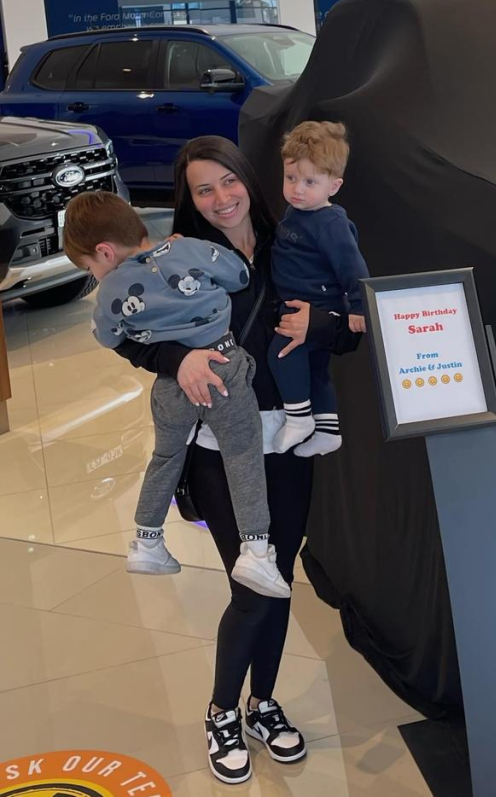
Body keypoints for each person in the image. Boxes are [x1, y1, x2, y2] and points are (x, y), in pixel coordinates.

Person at [113, 136, 360, 784]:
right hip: (219, 450)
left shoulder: (297, 240)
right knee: (253, 586)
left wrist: (322, 326)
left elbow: (351, 330)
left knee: (279, 580)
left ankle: (262, 704)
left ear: (249, 179)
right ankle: (222, 710)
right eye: (204, 189)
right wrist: (178, 358)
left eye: (228, 181)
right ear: (189, 199)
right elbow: (131, 336)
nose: (221, 198)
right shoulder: (178, 258)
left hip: (291, 439)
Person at [63, 191, 291, 600]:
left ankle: (147, 541)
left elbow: (107, 337)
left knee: (166, 457)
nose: (95, 274)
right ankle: (256, 551)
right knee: (242, 455)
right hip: (223, 369)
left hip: (171, 387)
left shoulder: (111, 290)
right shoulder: (187, 250)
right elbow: (240, 276)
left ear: (105, 252)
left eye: (89, 267)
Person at [269, 121, 369, 455]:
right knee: (315, 368)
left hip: (315, 306)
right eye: (291, 178)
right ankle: (328, 430)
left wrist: (359, 307)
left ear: (334, 186)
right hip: (301, 301)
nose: (297, 189)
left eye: (310, 182)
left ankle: (299, 419)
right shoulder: (297, 211)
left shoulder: (331, 223)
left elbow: (353, 267)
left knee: (282, 354)